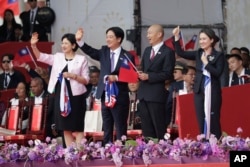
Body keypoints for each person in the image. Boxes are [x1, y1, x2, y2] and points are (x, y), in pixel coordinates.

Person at [75, 27, 135, 144]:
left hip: (119, 96)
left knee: (120, 126)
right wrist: (79, 41)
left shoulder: (127, 55)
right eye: (107, 37)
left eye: (111, 37)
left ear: (119, 39)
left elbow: (130, 76)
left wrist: (116, 78)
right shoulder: (104, 52)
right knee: (106, 126)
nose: (108, 39)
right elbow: (91, 51)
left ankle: (121, 150)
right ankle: (107, 150)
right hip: (105, 95)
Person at [30, 32, 89, 148]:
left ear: (73, 45)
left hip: (76, 96)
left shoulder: (82, 59)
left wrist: (73, 76)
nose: (63, 45)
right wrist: (33, 46)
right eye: (62, 43)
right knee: (65, 127)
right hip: (60, 95)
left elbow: (86, 80)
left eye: (66, 43)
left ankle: (80, 152)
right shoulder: (57, 57)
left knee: (78, 126)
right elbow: (40, 56)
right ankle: (71, 153)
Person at [172, 26, 225, 139]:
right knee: (201, 119)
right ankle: (204, 144)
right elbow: (181, 52)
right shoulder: (199, 53)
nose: (201, 41)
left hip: (212, 92)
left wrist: (206, 63)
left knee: (213, 119)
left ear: (211, 40)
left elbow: (217, 73)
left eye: (204, 39)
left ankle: (217, 146)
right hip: (199, 91)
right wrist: (176, 37)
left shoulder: (219, 56)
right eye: (200, 39)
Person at [137, 24, 175, 140]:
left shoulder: (167, 52)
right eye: (147, 33)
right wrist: (139, 74)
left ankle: (161, 151)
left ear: (159, 34)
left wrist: (149, 76)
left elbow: (168, 73)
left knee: (158, 127)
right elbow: (143, 68)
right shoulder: (147, 50)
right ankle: (149, 151)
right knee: (146, 128)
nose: (148, 36)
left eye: (150, 33)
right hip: (143, 94)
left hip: (156, 95)